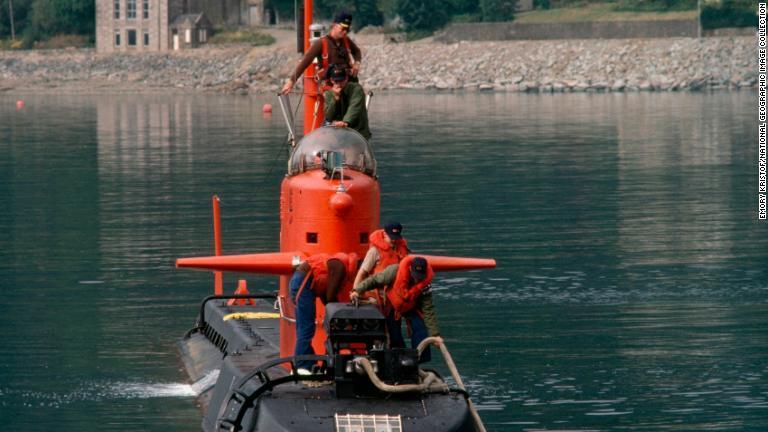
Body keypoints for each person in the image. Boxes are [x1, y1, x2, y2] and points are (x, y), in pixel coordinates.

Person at [350, 256, 439, 363]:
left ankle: (418, 360)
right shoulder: (394, 272)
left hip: (411, 306)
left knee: (420, 329)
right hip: (392, 303)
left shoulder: (425, 285)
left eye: (420, 277)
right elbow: (374, 280)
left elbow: (428, 309)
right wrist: (357, 290)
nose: (417, 280)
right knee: (394, 335)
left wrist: (435, 335)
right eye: (415, 276)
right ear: (410, 269)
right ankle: (398, 361)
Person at [290, 252, 358, 372]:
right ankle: (302, 366)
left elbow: (325, 293)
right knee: (306, 328)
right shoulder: (340, 268)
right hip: (303, 283)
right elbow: (330, 296)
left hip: (300, 281)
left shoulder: (334, 264)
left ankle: (309, 363)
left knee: (304, 328)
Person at [280, 11, 362, 95]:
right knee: (332, 101)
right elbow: (305, 61)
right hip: (329, 85)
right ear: (334, 25)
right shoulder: (321, 43)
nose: (345, 32)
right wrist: (291, 81)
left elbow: (357, 51)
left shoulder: (346, 41)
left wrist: (357, 63)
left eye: (347, 30)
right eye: (343, 29)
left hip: (346, 82)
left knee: (358, 94)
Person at [353, 222, 410, 304]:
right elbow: (362, 273)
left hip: (396, 293)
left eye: (396, 237)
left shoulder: (402, 249)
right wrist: (355, 291)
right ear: (384, 234)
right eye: (392, 237)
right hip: (378, 294)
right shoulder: (374, 251)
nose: (394, 240)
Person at [324, 66, 371, 140]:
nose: (339, 84)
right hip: (338, 135)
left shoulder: (356, 89)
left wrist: (346, 122)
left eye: (341, 80)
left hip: (358, 133)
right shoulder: (329, 94)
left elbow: (354, 107)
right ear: (332, 80)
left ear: (346, 78)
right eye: (336, 81)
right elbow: (328, 116)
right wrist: (335, 99)